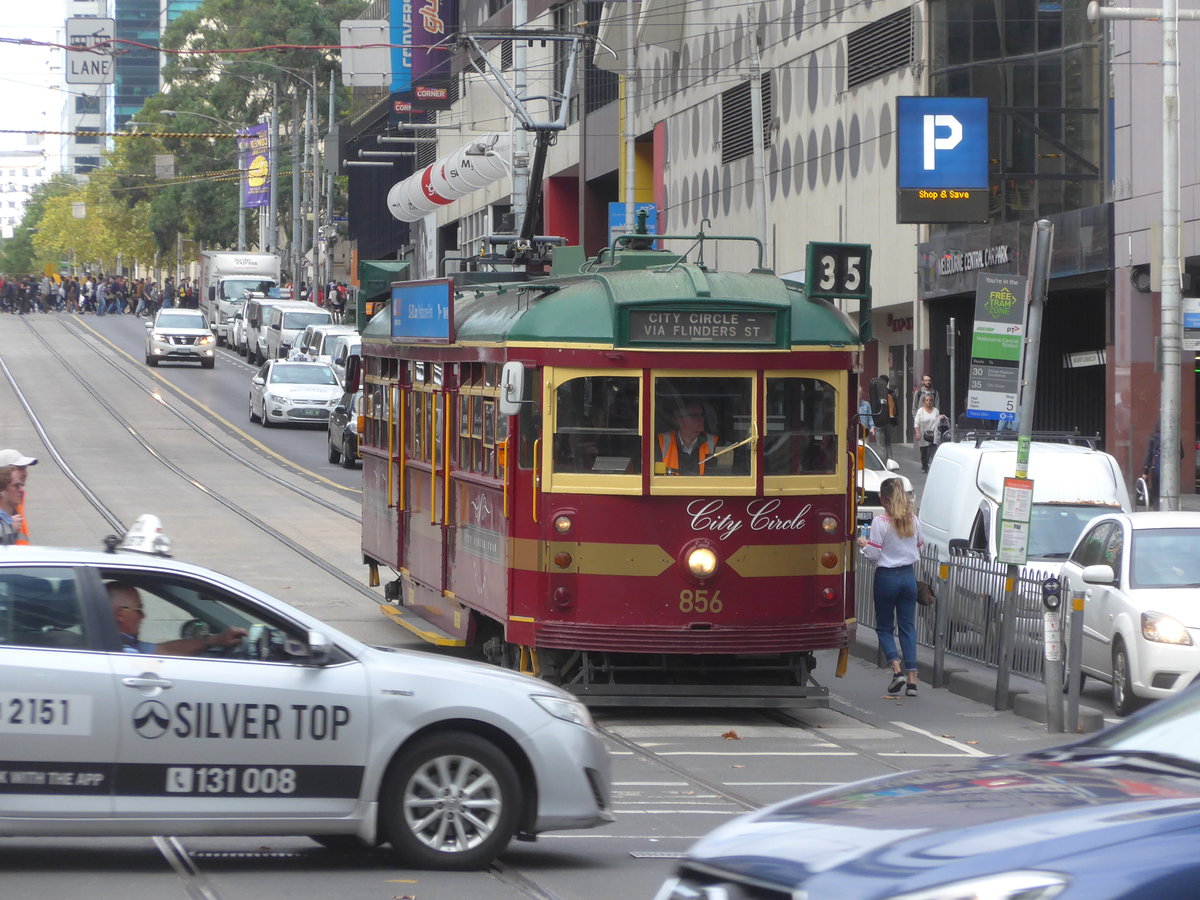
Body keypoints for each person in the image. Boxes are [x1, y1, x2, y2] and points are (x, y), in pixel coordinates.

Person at [857, 477, 924, 697]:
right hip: (908, 577)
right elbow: (919, 545)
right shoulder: (913, 519)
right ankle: (913, 680)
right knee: (908, 627)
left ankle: (897, 671)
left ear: (884, 498)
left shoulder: (880, 522)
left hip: (886, 577)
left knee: (885, 627)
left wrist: (864, 545)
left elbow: (875, 553)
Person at [107, 582, 247, 655]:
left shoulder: (121, 642)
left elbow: (166, 650)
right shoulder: (122, 652)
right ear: (120, 614)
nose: (144, 616)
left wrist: (215, 640)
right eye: (139, 609)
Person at [657, 401, 719, 475]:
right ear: (680, 421)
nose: (701, 419)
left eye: (702, 415)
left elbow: (716, 476)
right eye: (695, 415)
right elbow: (656, 476)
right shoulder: (661, 442)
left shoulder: (713, 442)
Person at [0, 448, 36, 545]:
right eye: (19, 468)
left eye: (25, 468)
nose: (24, 473)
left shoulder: (16, 503)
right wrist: (9, 527)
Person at [913, 393, 940, 472]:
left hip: (933, 435)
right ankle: (925, 465)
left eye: (930, 400)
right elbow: (916, 423)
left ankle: (933, 466)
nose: (929, 402)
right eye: (927, 400)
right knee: (924, 452)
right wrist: (917, 433)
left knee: (932, 450)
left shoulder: (936, 411)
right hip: (923, 435)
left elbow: (938, 421)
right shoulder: (920, 411)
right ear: (923, 402)